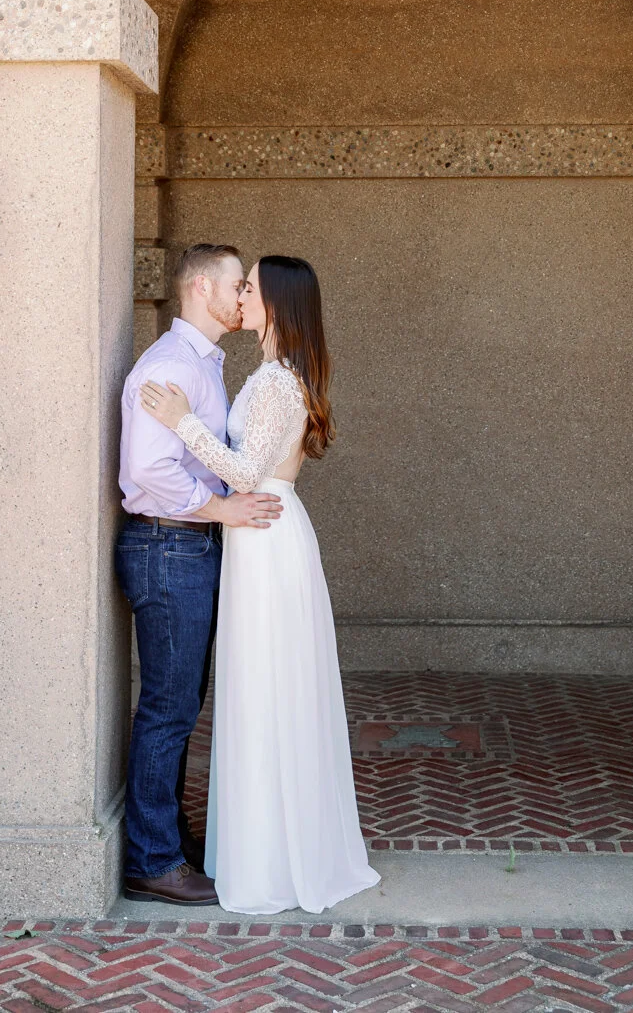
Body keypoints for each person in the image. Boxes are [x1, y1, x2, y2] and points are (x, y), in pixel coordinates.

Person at [140, 255, 380, 913]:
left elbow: (246, 474)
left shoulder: (277, 380)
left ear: (274, 302)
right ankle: (263, 845)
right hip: (258, 539)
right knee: (261, 691)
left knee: (268, 689)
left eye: (249, 286)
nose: (240, 294)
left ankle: (272, 859)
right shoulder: (272, 374)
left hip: (268, 539)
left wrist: (181, 420)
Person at [116, 243, 283, 907]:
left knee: (181, 705)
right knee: (167, 707)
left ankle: (167, 838)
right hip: (168, 546)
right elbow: (149, 471)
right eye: (236, 283)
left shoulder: (205, 365)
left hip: (189, 547)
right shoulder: (170, 366)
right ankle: (152, 860)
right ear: (202, 289)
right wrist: (221, 509)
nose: (243, 295)